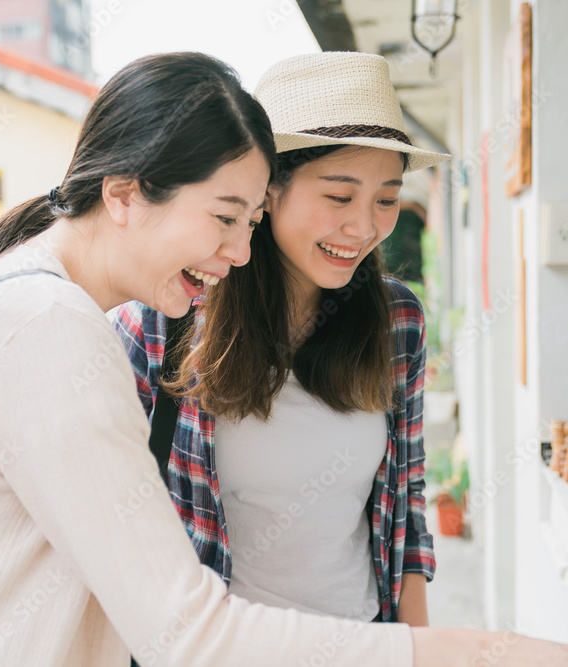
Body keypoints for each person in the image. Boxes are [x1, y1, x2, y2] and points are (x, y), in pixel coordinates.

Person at [0, 52, 568, 667]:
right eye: (229, 216)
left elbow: (401, 508)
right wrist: (482, 651)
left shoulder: (32, 299)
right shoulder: (58, 331)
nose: (239, 249)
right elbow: (188, 631)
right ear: (123, 194)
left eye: (250, 219)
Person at [113, 51, 445, 628]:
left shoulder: (398, 322)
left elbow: (406, 503)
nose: (364, 227)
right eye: (339, 197)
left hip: (363, 642)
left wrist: (415, 650)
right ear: (268, 191)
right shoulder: (165, 322)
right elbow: (119, 523)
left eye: (386, 199)